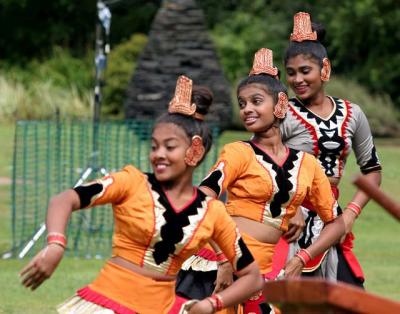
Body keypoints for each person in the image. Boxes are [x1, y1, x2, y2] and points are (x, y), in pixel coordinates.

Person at [19, 75, 264, 314]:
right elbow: (64, 199)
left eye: (170, 147)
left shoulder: (212, 212)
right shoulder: (131, 182)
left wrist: (212, 304)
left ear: (195, 150)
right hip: (109, 303)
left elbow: (252, 277)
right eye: (154, 146)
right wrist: (55, 245)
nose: (158, 154)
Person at [176, 48, 358, 314]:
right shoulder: (238, 152)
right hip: (221, 268)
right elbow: (201, 200)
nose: (247, 109)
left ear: (281, 104)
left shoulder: (307, 164)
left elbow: (336, 222)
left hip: (263, 272)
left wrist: (301, 258)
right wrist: (223, 258)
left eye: (256, 101)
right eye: (242, 103)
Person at [273, 12, 382, 287]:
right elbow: (262, 162)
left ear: (325, 69)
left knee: (350, 295)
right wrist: (290, 204)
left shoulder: (353, 113)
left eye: (305, 71)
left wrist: (350, 215)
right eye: (291, 73)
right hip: (287, 221)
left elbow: (372, 172)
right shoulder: (281, 114)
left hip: (331, 219)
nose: (298, 80)